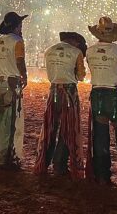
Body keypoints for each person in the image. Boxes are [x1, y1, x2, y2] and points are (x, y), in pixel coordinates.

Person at [85, 17, 117, 186]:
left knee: (100, 136)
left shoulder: (90, 51)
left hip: (97, 93)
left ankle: (102, 176)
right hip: (113, 94)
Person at [34, 31, 86, 179]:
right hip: (69, 91)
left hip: (54, 90)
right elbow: (81, 76)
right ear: (74, 42)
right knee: (67, 128)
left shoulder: (49, 50)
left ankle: (43, 162)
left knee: (50, 127)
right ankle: (59, 164)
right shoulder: (76, 52)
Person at [0, 12, 28, 169]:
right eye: (20, 25)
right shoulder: (17, 41)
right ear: (17, 26)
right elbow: (20, 61)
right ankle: (2, 158)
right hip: (12, 83)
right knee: (10, 123)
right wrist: (24, 75)